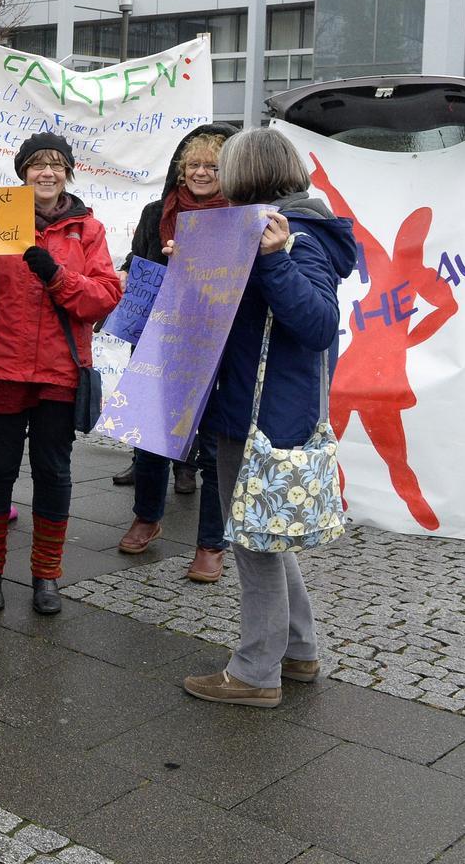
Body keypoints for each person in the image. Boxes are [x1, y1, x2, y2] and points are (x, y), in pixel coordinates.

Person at [184, 128, 355, 707]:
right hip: (255, 406)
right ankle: (300, 651)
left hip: (262, 415)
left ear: (248, 172)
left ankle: (256, 672)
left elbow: (315, 325)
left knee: (254, 546)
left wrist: (276, 260)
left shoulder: (294, 235)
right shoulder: (273, 225)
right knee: (267, 533)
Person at [0, 132, 121, 615]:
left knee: (54, 472)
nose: (47, 173)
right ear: (22, 171)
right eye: (38, 164)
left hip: (59, 372)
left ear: (68, 173)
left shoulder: (89, 231)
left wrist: (58, 276)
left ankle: (46, 576)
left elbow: (104, 297)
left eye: (57, 165)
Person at [114, 125, 235, 581]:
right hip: (161, 340)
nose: (201, 173)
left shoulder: (242, 216)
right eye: (194, 165)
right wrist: (129, 274)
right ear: (181, 171)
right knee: (150, 439)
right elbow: (140, 263)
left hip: (219, 345)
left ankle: (210, 543)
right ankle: (147, 516)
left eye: (212, 166)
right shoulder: (155, 213)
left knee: (214, 448)